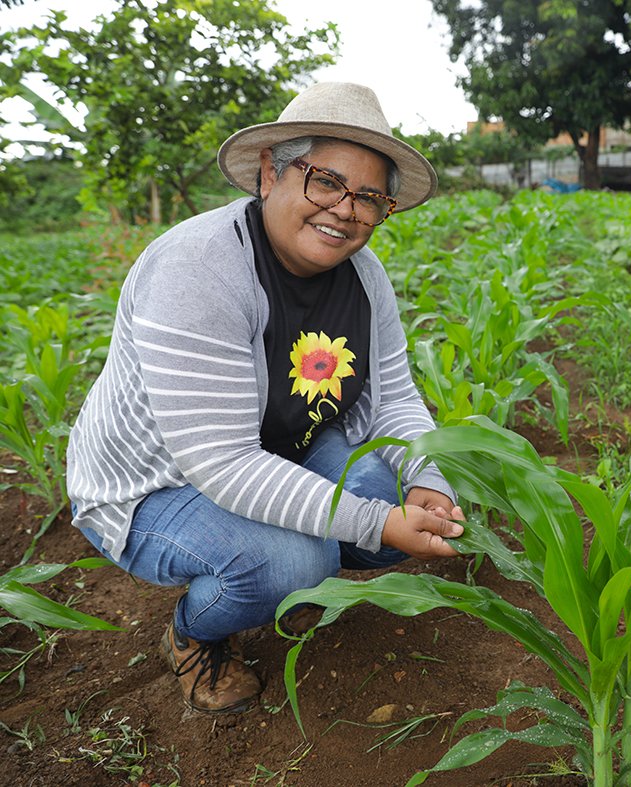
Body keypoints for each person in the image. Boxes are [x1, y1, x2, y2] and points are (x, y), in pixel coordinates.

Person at [67, 82, 465, 715]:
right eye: (326, 181)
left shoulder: (364, 278)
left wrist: (428, 482)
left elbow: (393, 399)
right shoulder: (198, 268)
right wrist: (374, 523)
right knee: (293, 559)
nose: (346, 210)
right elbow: (220, 461)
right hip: (161, 483)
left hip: (286, 446)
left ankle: (296, 574)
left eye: (368, 196)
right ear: (269, 173)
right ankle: (193, 635)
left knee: (394, 495)